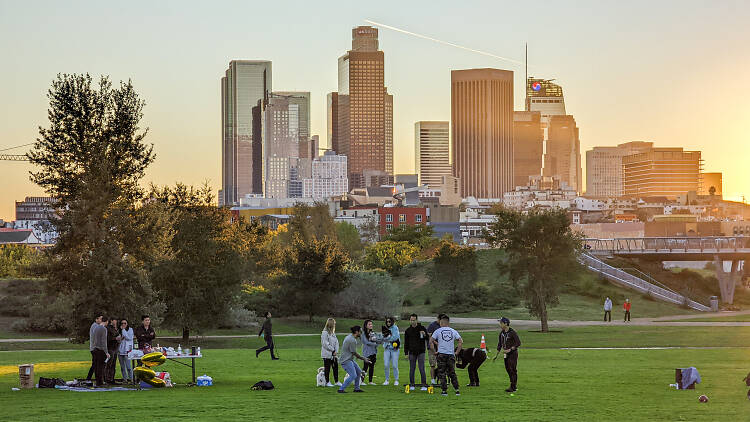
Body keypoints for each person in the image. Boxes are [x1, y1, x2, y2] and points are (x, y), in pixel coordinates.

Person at [429, 314, 462, 396]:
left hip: (441, 354)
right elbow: (460, 341)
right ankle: (457, 389)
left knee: (441, 372)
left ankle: (444, 391)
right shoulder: (453, 331)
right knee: (452, 372)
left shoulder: (438, 331)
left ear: (441, 323)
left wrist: (434, 351)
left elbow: (431, 341)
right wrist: (457, 352)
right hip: (451, 355)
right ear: (448, 323)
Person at [337, 325, 370, 393]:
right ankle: (341, 389)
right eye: (360, 332)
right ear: (356, 332)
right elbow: (354, 353)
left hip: (349, 359)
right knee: (353, 375)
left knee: (358, 372)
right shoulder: (352, 340)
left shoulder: (350, 337)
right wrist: (364, 359)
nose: (361, 333)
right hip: (345, 360)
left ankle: (356, 388)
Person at [494, 317, 521, 393]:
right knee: (508, 369)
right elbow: (500, 344)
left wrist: (510, 349)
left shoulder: (512, 332)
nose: (500, 324)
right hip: (505, 354)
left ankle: (513, 386)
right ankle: (512, 385)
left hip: (513, 354)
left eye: (501, 323)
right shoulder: (502, 333)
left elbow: (518, 343)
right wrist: (497, 354)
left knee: (512, 369)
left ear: (506, 323)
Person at [404, 313, 428, 391]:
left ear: (417, 320)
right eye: (411, 320)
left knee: (421, 368)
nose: (413, 322)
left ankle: (424, 385)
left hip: (421, 351)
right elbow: (406, 343)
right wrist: (406, 353)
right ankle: (412, 384)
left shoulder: (422, 328)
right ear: (410, 321)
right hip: (412, 352)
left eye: (414, 320)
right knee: (412, 369)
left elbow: (427, 338)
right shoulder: (408, 330)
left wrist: (425, 335)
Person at [88, 314, 109, 387]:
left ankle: (98, 381)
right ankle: (100, 382)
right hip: (101, 350)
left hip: (95, 349)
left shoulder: (96, 328)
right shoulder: (103, 329)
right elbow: (104, 341)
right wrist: (106, 352)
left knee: (97, 366)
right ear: (106, 322)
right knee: (101, 367)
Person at [320, 318, 341, 387]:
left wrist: (336, 351)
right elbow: (325, 344)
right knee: (327, 368)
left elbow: (337, 342)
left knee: (335, 367)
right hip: (327, 354)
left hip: (334, 354)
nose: (335, 325)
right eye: (334, 323)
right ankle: (327, 382)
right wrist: (333, 350)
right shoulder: (325, 333)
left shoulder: (333, 333)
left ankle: (336, 381)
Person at [361, 319, 381, 385]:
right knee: (365, 367)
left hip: (373, 352)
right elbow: (366, 342)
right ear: (366, 325)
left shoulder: (373, 333)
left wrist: (378, 342)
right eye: (369, 324)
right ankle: (361, 381)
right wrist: (375, 344)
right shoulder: (363, 333)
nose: (371, 325)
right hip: (367, 353)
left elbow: (377, 341)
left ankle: (370, 381)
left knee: (372, 367)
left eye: (371, 324)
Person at [382, 316, 400, 385]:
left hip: (394, 349)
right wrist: (387, 337)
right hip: (387, 348)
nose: (388, 323)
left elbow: (395, 337)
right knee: (386, 364)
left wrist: (387, 337)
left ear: (392, 322)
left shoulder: (395, 328)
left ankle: (396, 380)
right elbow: (383, 337)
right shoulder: (385, 328)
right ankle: (387, 380)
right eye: (387, 322)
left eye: (389, 321)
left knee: (395, 365)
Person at [426, 313, 443, 385]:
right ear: (438, 319)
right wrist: (436, 343)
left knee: (441, 364)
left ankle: (442, 379)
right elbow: (429, 336)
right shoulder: (432, 325)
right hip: (432, 348)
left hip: (441, 348)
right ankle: (433, 380)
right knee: (433, 364)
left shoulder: (444, 326)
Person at [86, 314, 103, 382]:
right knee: (95, 364)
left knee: (95, 364)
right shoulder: (95, 326)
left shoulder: (96, 326)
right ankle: (90, 378)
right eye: (100, 319)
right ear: (96, 319)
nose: (101, 320)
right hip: (95, 348)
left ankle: (91, 378)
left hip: (94, 348)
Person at [118, 318, 134, 382]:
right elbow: (118, 340)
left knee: (129, 367)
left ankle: (131, 379)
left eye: (125, 323)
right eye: (122, 323)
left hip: (127, 351)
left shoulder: (130, 330)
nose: (123, 324)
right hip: (120, 350)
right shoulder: (119, 330)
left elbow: (129, 338)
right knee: (122, 367)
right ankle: (125, 379)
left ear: (127, 324)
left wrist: (123, 330)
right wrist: (121, 338)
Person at [105, 317, 119, 383]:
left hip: (115, 348)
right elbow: (108, 338)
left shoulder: (114, 328)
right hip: (110, 348)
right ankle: (107, 379)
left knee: (113, 364)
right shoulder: (108, 328)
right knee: (109, 364)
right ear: (111, 321)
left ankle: (112, 378)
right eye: (115, 320)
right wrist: (115, 338)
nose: (116, 321)